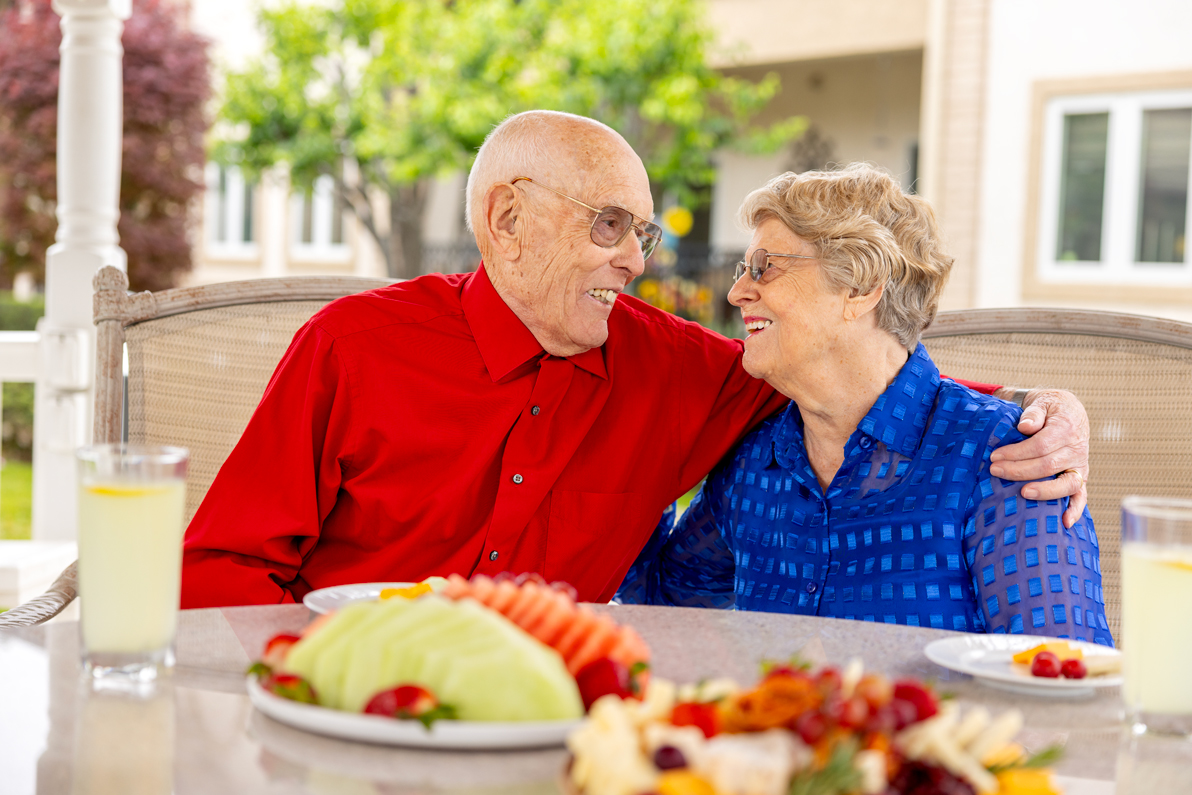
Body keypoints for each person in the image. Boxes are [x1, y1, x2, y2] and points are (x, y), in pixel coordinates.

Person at [181, 111, 1090, 609]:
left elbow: (860, 378)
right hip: (340, 722)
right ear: (507, 220)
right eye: (610, 223)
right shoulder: (353, 347)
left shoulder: (676, 369)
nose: (637, 259)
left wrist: (1030, 412)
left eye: (643, 232)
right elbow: (218, 567)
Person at [617, 165, 1112, 646]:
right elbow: (662, 600)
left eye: (764, 267)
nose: (737, 291)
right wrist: (639, 430)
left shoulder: (1005, 459)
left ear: (859, 287)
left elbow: (1067, 680)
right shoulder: (752, 466)